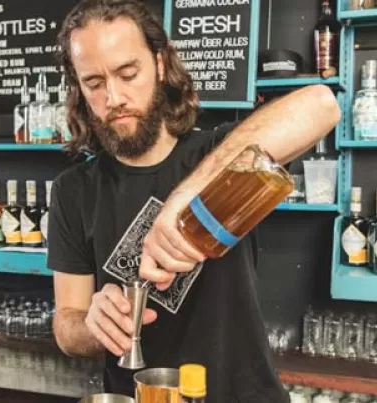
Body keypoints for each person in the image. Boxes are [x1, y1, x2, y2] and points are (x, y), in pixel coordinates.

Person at [47, 0, 340, 400]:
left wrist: (185, 195)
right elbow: (67, 326)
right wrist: (93, 325)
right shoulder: (73, 190)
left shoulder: (218, 155)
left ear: (161, 65)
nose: (113, 97)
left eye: (128, 73)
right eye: (94, 83)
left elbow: (321, 105)